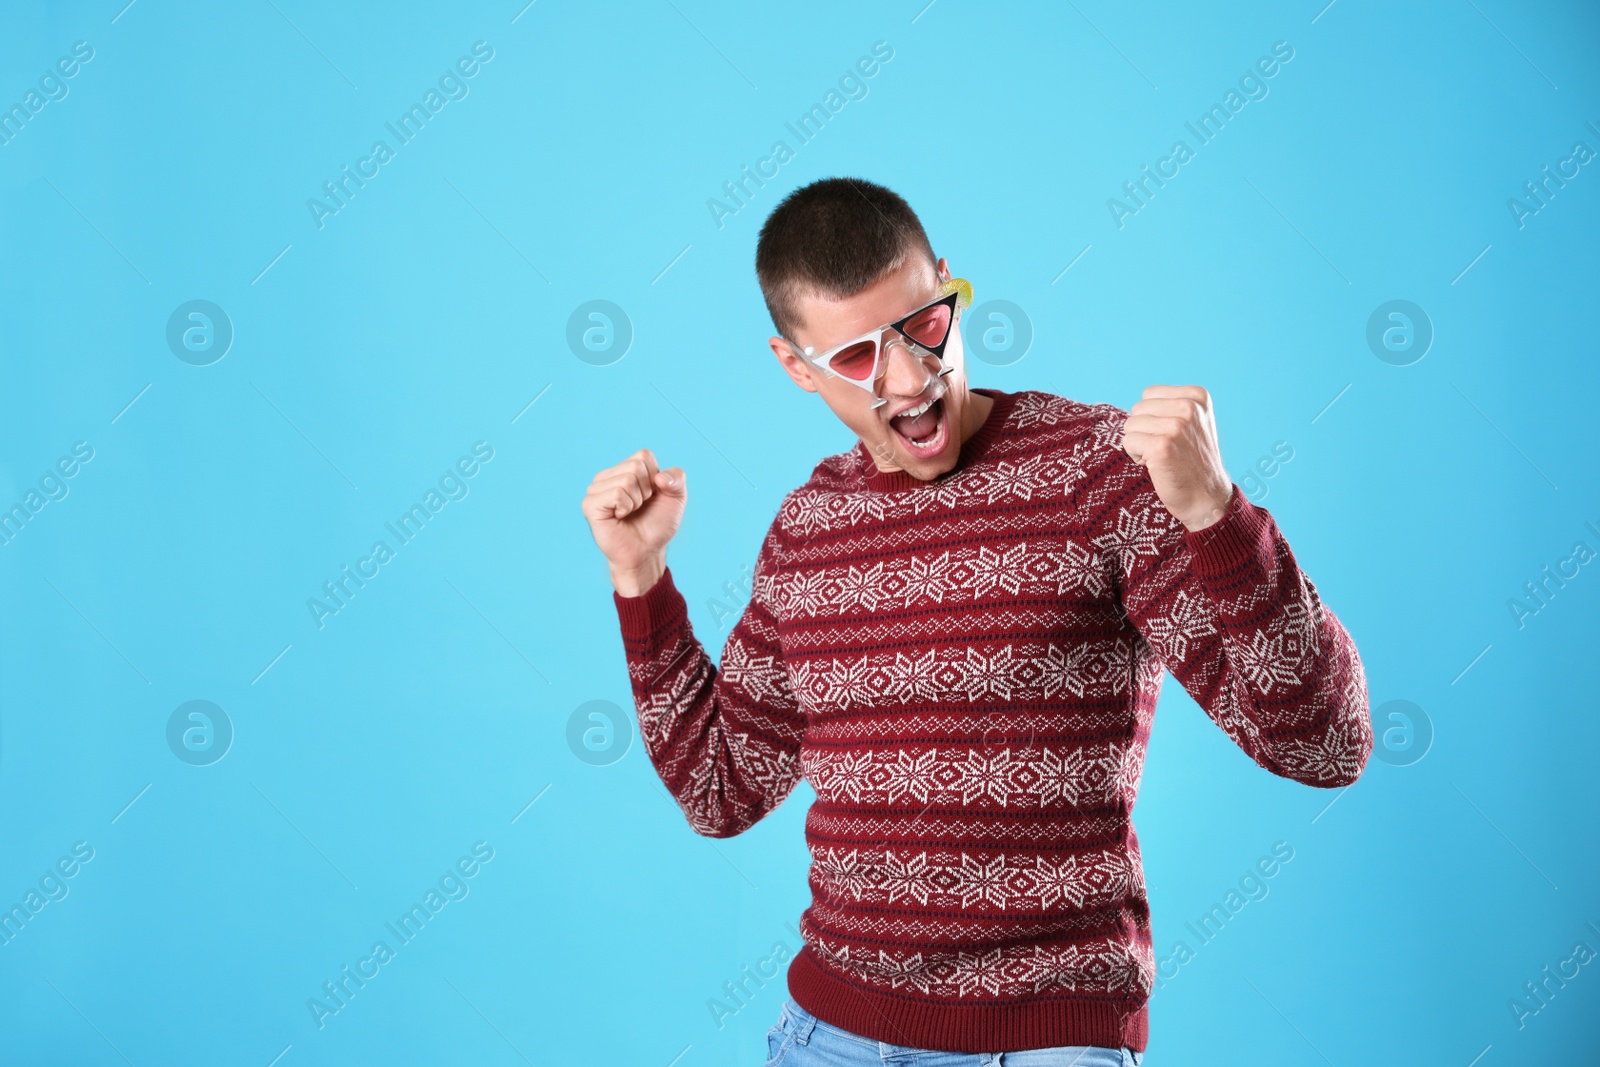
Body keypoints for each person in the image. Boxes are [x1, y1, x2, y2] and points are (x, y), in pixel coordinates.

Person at [580, 177, 1373, 1065]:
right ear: (794, 366)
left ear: (951, 285)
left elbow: (1324, 745)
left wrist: (1217, 514)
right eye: (856, 358)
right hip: (828, 1036)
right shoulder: (808, 526)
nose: (914, 379)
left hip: (1047, 1040)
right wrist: (639, 574)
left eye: (924, 325)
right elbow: (720, 790)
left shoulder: (1099, 472)